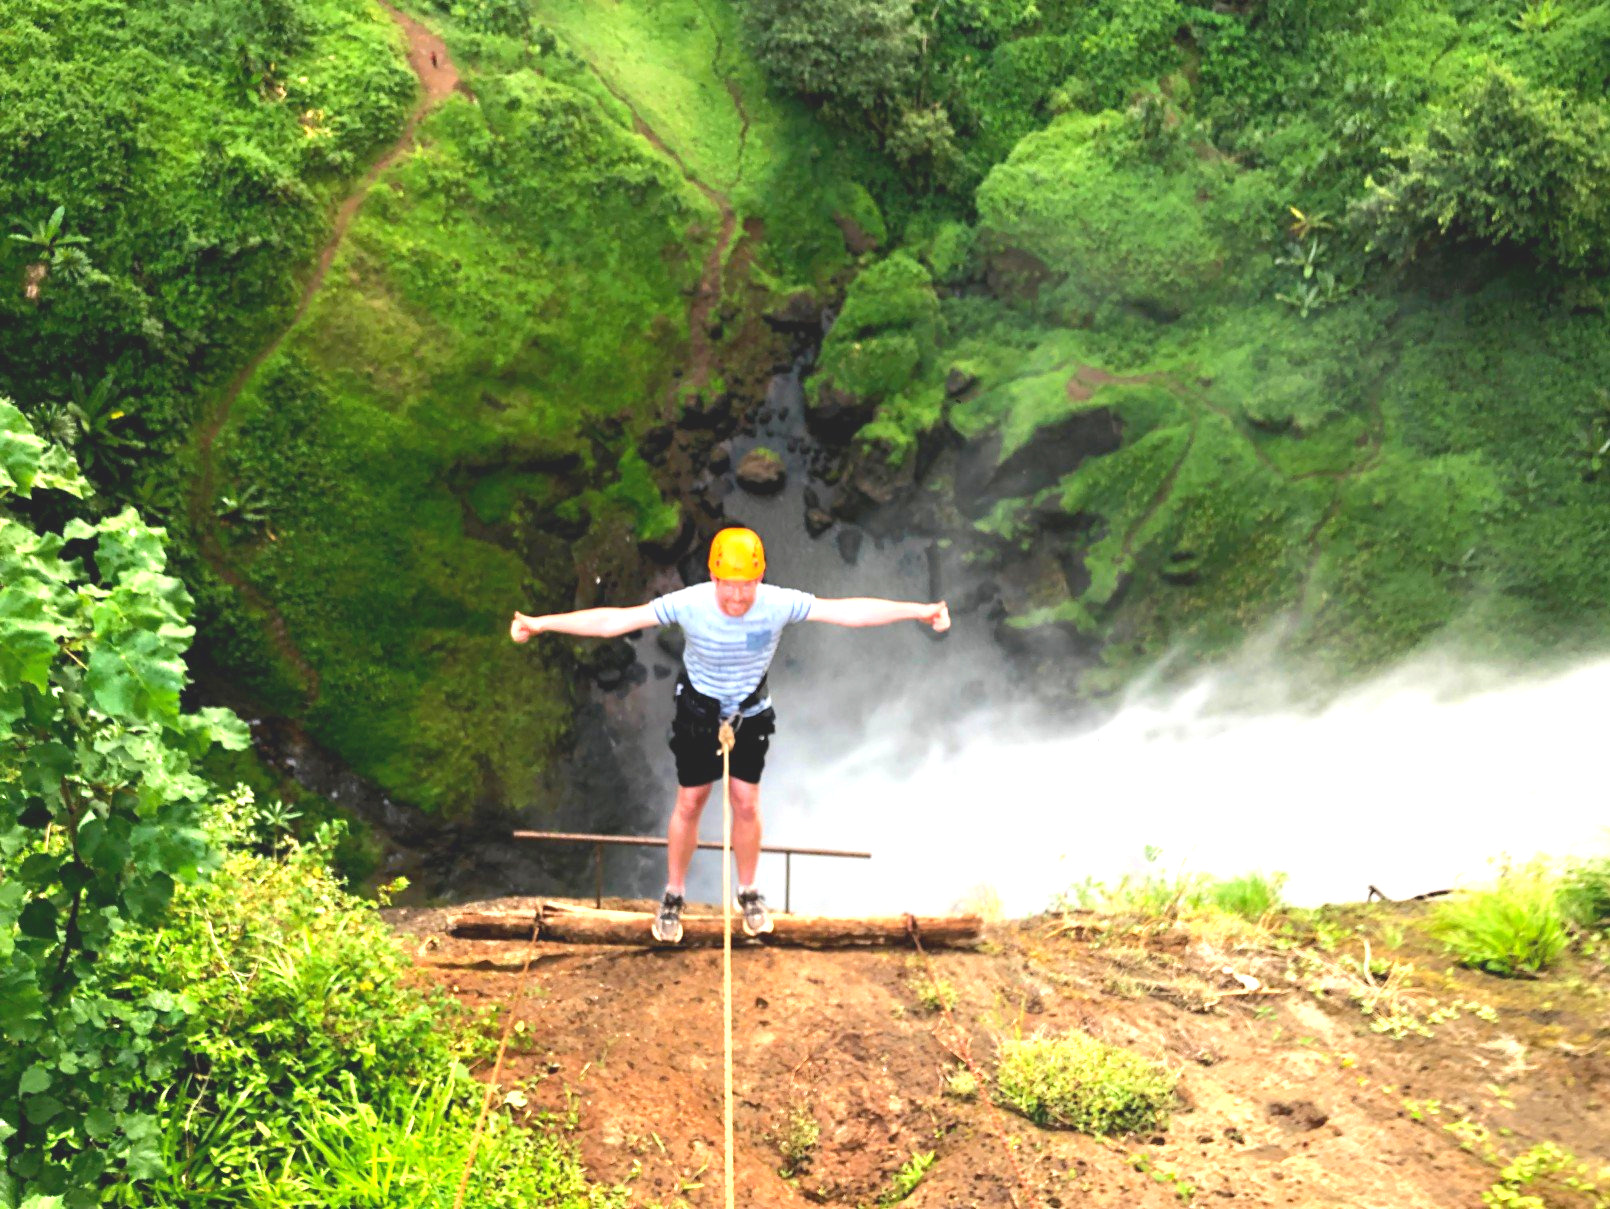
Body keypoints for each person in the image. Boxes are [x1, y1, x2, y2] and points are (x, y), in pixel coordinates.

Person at [510, 526, 949, 943]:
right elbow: (616, 622)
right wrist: (542, 623)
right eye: (728, 584)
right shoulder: (690, 604)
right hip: (698, 712)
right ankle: (674, 894)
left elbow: (846, 612)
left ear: (760, 577)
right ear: (714, 577)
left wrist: (918, 611)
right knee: (690, 800)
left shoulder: (777, 603)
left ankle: (749, 892)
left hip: (750, 714)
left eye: (747, 585)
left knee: (745, 801)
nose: (738, 596)